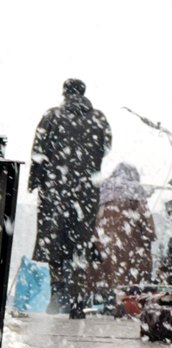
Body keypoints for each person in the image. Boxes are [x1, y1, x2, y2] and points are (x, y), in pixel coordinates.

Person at [29, 78, 112, 318]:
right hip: (85, 193)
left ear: (65, 94)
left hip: (56, 192)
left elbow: (38, 151)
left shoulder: (52, 116)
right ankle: (76, 302)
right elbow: (105, 147)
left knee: (54, 245)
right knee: (79, 247)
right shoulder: (98, 119)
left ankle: (55, 297)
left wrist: (36, 181)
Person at [86, 163, 156, 305]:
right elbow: (148, 226)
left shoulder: (104, 193)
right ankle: (125, 306)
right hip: (132, 246)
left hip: (106, 246)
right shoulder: (136, 193)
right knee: (129, 280)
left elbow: (96, 221)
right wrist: (148, 235)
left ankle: (112, 303)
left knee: (113, 277)